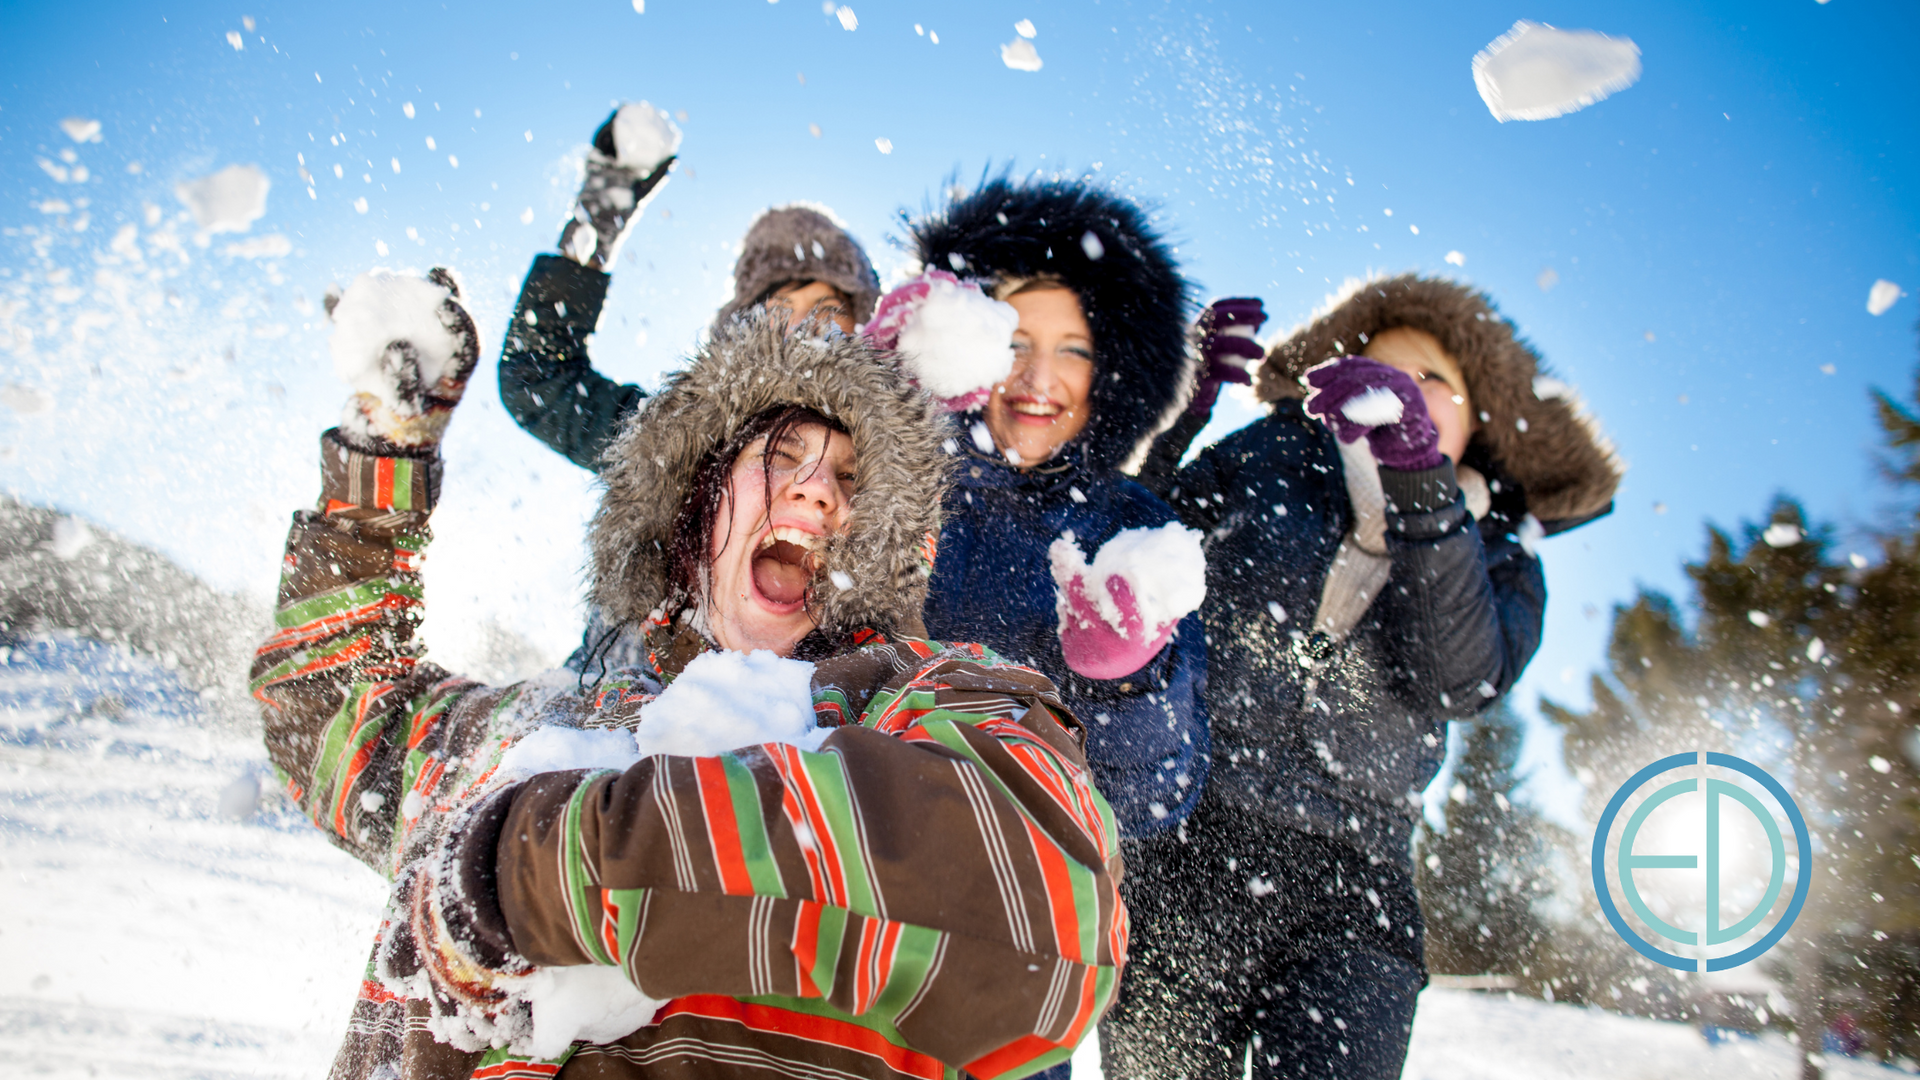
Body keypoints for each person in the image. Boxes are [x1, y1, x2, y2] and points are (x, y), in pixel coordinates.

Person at [252, 268, 1124, 1079]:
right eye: (779, 458)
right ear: (689, 506)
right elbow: (331, 712)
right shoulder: (527, 726)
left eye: (850, 480)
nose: (817, 493)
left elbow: (1048, 916)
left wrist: (530, 871)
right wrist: (381, 459)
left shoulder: (931, 701)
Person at [1110, 274, 1621, 1080]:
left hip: (1357, 883)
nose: (1402, 396)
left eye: (1432, 384)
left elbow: (1456, 682)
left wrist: (1419, 481)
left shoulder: (1501, 554)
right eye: (1381, 373)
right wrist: (1184, 406)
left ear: (1478, 421)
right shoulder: (1270, 457)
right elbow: (1127, 551)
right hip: (1191, 851)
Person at [891, 176, 1211, 839]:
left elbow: (1157, 802)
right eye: (1013, 342)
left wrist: (1128, 685)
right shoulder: (889, 479)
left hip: (1030, 885)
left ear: (1112, 372)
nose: (1039, 378)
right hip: (852, 839)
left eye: (1074, 350)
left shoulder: (1137, 528)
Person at [499, 102, 881, 474]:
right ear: (747, 323)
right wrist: (596, 225)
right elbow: (538, 381)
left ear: (865, 324)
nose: (803, 322)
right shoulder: (685, 436)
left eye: (829, 307)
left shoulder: (894, 447)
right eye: (782, 305)